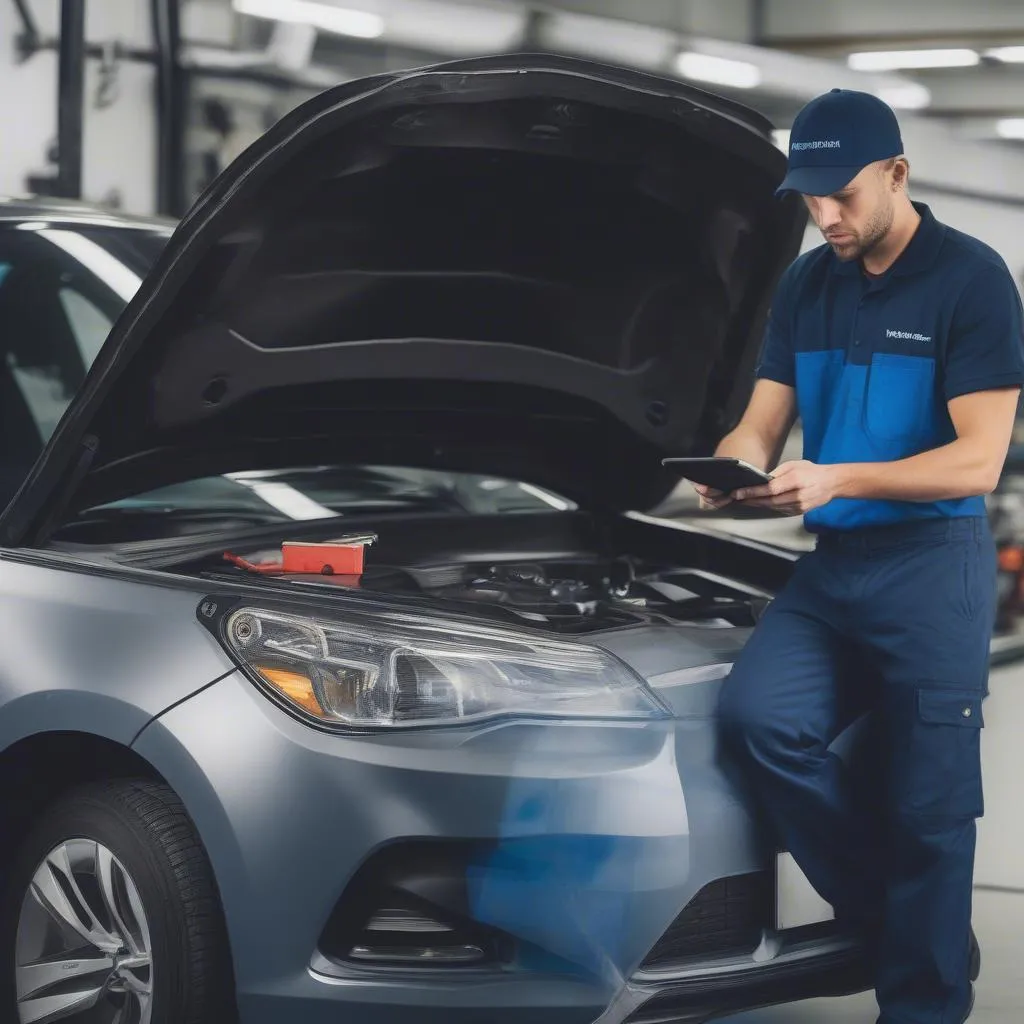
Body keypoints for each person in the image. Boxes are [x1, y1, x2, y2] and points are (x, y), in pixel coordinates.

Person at [698, 89, 1024, 1024]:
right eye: (810, 199)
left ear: (896, 173)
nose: (827, 217)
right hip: (836, 571)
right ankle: (901, 924)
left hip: (935, 567)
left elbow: (978, 457)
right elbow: (761, 420)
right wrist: (737, 465)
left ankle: (921, 1001)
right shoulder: (808, 282)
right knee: (759, 720)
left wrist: (841, 476)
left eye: (841, 196)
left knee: (931, 808)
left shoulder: (971, 279)